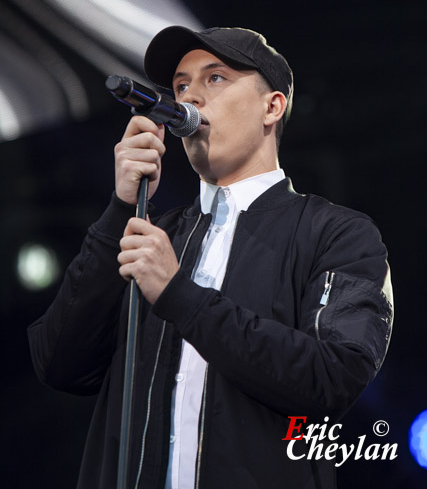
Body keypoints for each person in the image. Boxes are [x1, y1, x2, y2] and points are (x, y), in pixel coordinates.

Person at [28, 26, 393, 489]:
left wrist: (180, 296)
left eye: (215, 78)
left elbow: (332, 377)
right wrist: (120, 208)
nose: (190, 98)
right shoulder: (152, 234)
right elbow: (59, 363)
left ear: (272, 106)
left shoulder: (339, 233)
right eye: (181, 86)